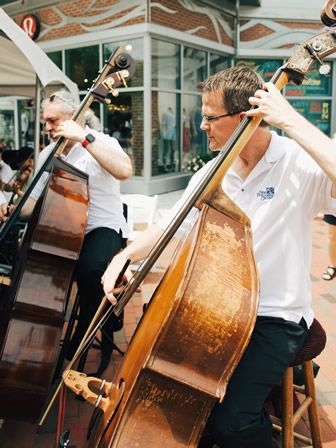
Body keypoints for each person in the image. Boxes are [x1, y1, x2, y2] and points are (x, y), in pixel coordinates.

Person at [101, 66, 336, 448]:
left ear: (243, 118)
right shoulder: (214, 171)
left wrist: (291, 120)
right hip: (217, 313)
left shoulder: (296, 162)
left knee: (232, 422)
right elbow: (169, 228)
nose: (202, 125)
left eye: (210, 117)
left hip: (275, 317)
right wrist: (122, 257)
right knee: (186, 398)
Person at [0, 89, 133, 376]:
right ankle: (39, 343)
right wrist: (14, 210)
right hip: (64, 232)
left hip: (103, 226)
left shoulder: (101, 142)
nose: (47, 128)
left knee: (90, 270)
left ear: (73, 117)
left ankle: (84, 338)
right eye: (45, 122)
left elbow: (125, 170)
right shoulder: (49, 153)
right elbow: (32, 204)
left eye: (52, 121)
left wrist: (84, 138)